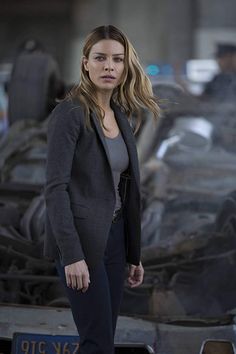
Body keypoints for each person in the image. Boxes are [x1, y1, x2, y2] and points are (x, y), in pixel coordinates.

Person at [44, 25, 160, 354]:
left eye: (117, 59)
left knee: (102, 341)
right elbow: (55, 190)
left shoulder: (120, 116)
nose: (109, 66)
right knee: (97, 343)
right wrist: (72, 255)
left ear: (125, 67)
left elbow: (123, 189)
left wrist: (132, 253)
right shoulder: (69, 114)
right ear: (85, 63)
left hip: (114, 241)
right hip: (81, 243)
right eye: (100, 58)